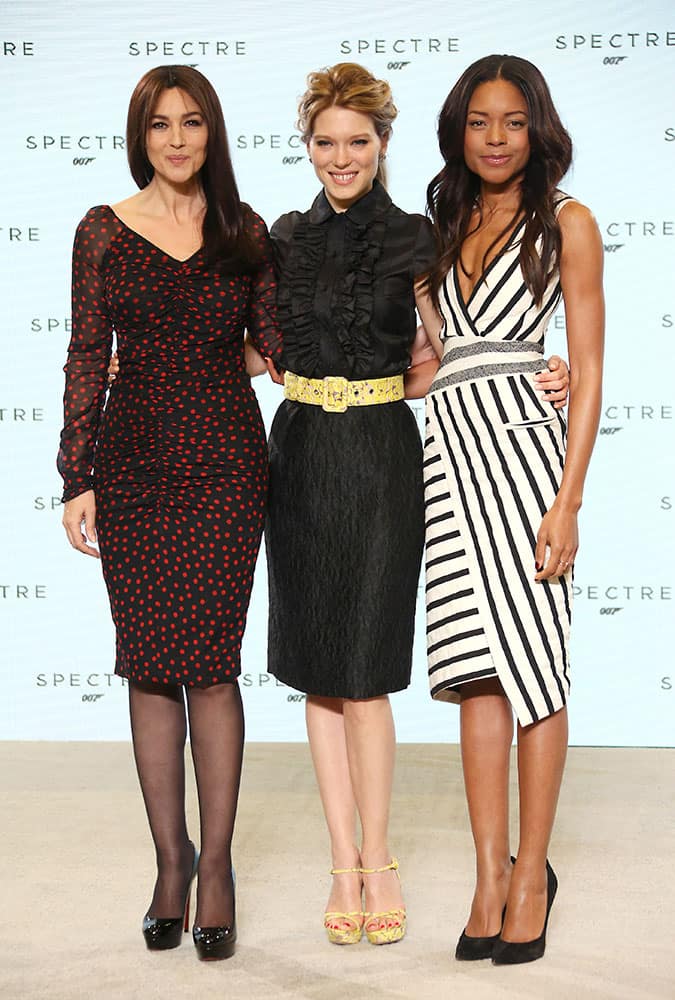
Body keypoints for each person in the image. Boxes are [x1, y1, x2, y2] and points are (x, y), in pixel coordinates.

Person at [264, 62, 570, 947]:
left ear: (384, 144)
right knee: (318, 669)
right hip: (304, 457)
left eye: (357, 141)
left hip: (388, 458)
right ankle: (342, 866)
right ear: (307, 145)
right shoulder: (283, 237)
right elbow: (256, 344)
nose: (340, 156)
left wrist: (551, 370)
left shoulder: (418, 240)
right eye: (324, 141)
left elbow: (451, 348)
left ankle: (383, 856)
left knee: (367, 668)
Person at [57, 65, 282, 961]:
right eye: (160, 125)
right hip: (136, 468)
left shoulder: (247, 233)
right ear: (139, 136)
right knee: (149, 666)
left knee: (211, 668)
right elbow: (83, 351)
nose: (178, 139)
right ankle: (171, 863)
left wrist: (427, 338)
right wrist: (77, 474)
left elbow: (280, 346)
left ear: (212, 132)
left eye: (192, 123)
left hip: (228, 467)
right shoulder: (102, 232)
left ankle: (218, 867)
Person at [422, 54, 604, 964]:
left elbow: (591, 367)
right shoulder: (438, 225)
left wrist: (567, 502)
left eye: (513, 122)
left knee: (533, 666)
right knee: (473, 671)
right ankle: (487, 872)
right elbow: (428, 361)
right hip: (448, 464)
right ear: (458, 130)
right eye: (479, 122)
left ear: (537, 129)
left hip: (527, 462)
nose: (495, 139)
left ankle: (531, 871)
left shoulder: (567, 221)